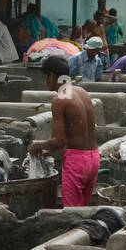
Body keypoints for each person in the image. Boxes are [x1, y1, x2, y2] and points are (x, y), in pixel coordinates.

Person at [29, 55, 99, 207]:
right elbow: (74, 131)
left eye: (45, 77)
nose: (45, 82)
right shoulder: (82, 92)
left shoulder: (60, 99)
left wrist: (38, 146)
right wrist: (50, 151)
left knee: (71, 213)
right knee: (83, 212)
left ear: (52, 77)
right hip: (93, 158)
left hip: (77, 162)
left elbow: (57, 141)